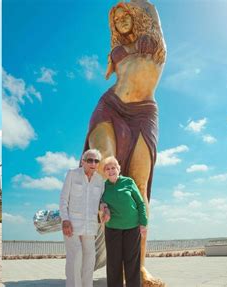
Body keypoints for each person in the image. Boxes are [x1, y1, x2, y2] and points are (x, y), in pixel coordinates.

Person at [82, 1, 166, 285]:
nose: (119, 20)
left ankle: (139, 267)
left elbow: (150, 8)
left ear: (137, 16)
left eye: (124, 15)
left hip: (144, 113)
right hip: (110, 106)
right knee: (106, 168)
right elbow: (111, 74)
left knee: (139, 187)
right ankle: (94, 221)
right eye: (115, 19)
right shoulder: (114, 52)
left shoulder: (154, 41)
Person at [59, 149, 105, 287]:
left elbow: (101, 201)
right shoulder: (72, 174)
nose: (93, 163)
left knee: (89, 258)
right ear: (83, 161)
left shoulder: (100, 180)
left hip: (90, 226)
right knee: (76, 256)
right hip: (71, 223)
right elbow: (63, 199)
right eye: (90, 160)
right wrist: (65, 220)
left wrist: (105, 207)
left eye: (96, 160)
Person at [100, 156, 147, 287]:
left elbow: (140, 203)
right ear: (105, 172)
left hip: (132, 227)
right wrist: (103, 206)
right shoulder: (103, 186)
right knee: (114, 263)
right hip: (112, 228)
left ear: (118, 169)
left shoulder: (128, 182)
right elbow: (99, 201)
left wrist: (143, 223)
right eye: (107, 169)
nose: (111, 171)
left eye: (113, 167)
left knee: (132, 263)